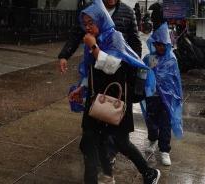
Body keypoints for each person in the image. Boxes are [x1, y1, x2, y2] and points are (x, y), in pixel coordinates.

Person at [68, 0, 161, 183]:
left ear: (101, 20)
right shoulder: (92, 40)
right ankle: (103, 177)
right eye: (84, 23)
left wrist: (94, 47)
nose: (87, 27)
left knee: (121, 142)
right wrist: (82, 87)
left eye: (91, 23)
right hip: (96, 99)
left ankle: (149, 173)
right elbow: (91, 69)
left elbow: (112, 67)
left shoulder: (114, 37)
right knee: (90, 141)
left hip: (116, 98)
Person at [141, 11, 184, 166]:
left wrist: (176, 96)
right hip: (152, 97)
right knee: (151, 121)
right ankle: (152, 140)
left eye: (162, 44)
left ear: (167, 45)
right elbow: (145, 75)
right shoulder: (150, 58)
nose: (159, 47)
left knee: (165, 124)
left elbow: (175, 80)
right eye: (157, 44)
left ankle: (164, 150)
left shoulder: (172, 60)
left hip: (167, 99)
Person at [57, 0, 142, 74]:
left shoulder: (128, 12)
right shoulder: (89, 8)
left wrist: (135, 68)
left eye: (91, 23)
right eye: (87, 24)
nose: (87, 27)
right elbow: (76, 34)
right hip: (93, 66)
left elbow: (134, 41)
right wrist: (64, 55)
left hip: (117, 67)